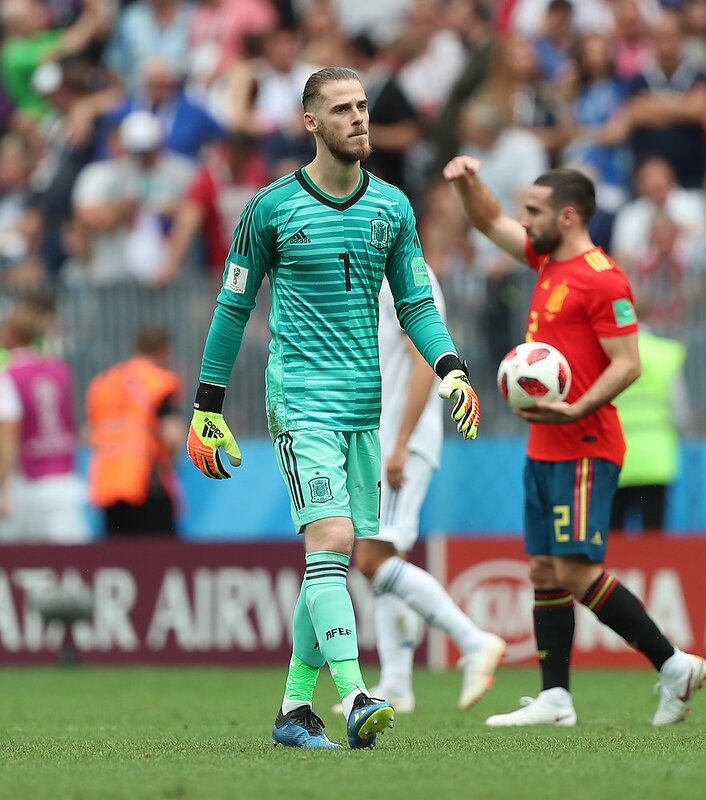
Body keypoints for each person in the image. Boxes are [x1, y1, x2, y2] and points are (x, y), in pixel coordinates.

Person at [185, 67, 482, 751]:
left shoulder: (393, 208)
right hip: (300, 399)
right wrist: (207, 404)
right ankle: (354, 695)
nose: (358, 118)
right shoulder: (270, 208)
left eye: (363, 106)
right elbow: (232, 306)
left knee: (333, 560)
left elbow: (416, 304)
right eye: (342, 108)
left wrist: (451, 368)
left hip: (363, 409)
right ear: (311, 122)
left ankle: (295, 710)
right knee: (332, 541)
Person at [443, 155, 706, 727]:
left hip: (586, 442)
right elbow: (487, 220)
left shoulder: (603, 278)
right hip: (544, 445)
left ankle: (672, 665)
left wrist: (578, 406)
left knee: (574, 572)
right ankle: (555, 698)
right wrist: (468, 182)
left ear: (567, 216)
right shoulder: (545, 259)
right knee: (544, 570)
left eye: (533, 211)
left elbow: (628, 362)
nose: (523, 220)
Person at [335, 274, 505, 717]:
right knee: (383, 558)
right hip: (387, 438)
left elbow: (422, 364)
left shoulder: (409, 278)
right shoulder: (382, 272)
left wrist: (401, 442)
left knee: (371, 559)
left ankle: (473, 641)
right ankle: (396, 682)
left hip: (400, 441)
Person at [0, 303, 89, 543]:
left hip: (28, 485)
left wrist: (3, 486)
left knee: (16, 558)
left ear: (11, 334)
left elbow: (9, 438)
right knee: (73, 561)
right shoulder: (59, 370)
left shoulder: (9, 376)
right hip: (64, 479)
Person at [86, 324, 183, 536]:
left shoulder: (104, 381)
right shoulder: (159, 381)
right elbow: (172, 434)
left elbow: (91, 431)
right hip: (146, 482)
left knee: (119, 552)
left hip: (108, 482)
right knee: (160, 552)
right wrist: (170, 462)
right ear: (163, 350)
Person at [611, 328, 688, 534]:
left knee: (613, 539)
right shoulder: (665, 354)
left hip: (615, 457)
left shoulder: (608, 352)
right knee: (653, 538)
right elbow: (680, 411)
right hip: (655, 459)